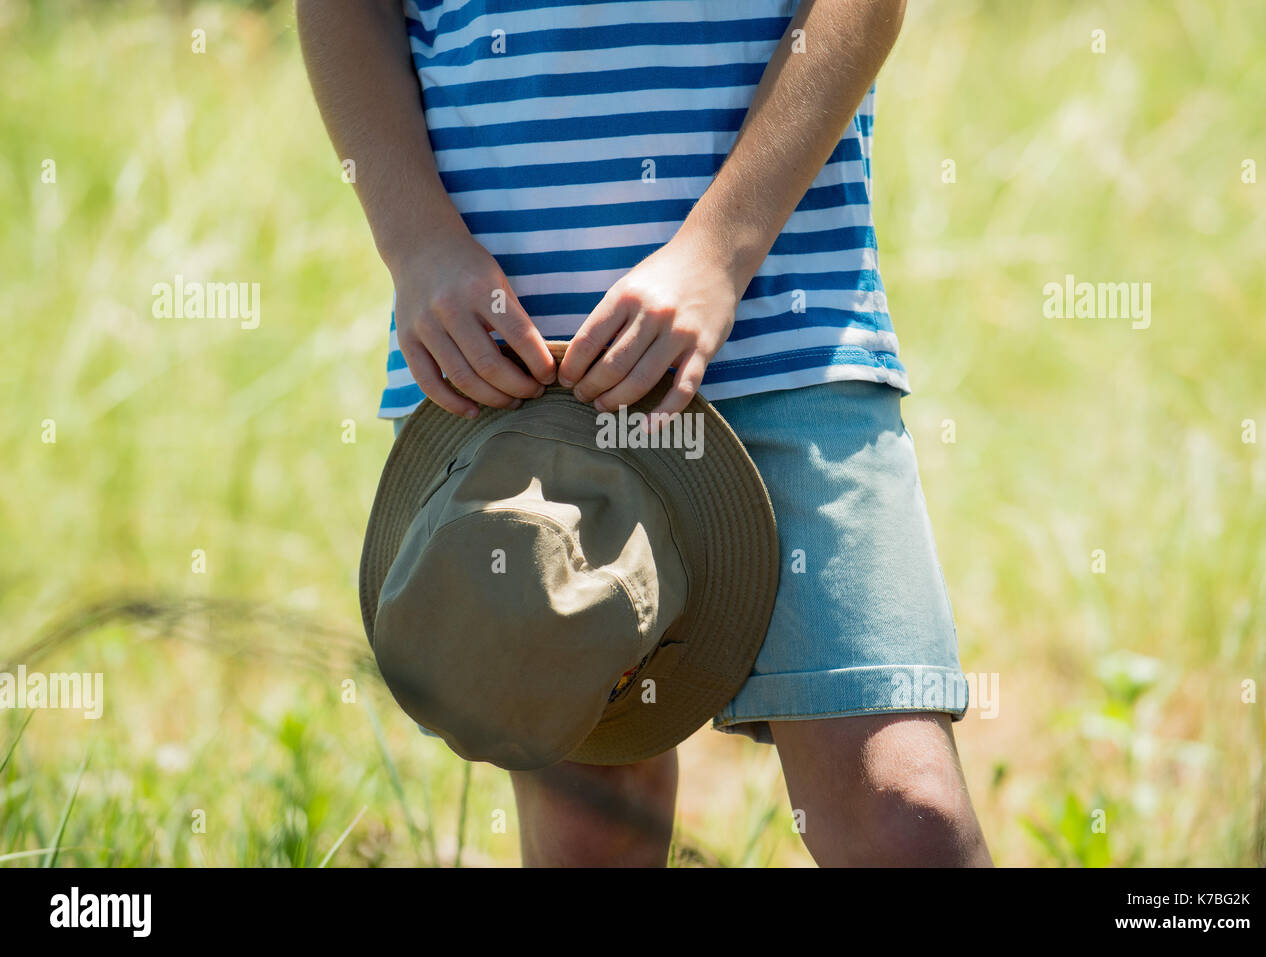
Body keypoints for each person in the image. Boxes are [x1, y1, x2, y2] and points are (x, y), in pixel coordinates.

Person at [298, 0, 992, 867]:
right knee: (594, 829)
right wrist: (416, 246)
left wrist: (719, 250)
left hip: (786, 323)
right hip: (521, 360)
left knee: (903, 808)